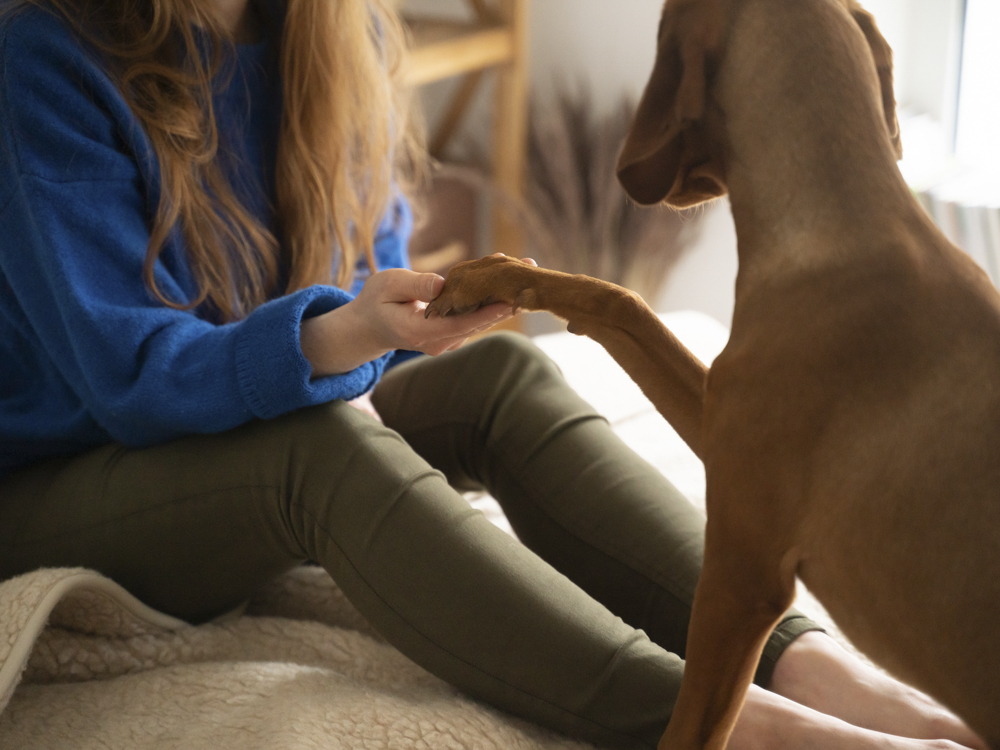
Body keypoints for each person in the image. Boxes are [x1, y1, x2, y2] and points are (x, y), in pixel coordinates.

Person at [0, 1, 985, 748]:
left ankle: (812, 671)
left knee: (502, 377)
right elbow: (129, 382)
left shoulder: (336, 34)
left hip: (238, 437)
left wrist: (391, 326)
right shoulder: (41, 61)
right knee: (322, 444)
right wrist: (335, 340)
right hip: (67, 482)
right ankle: (744, 726)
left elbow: (366, 268)